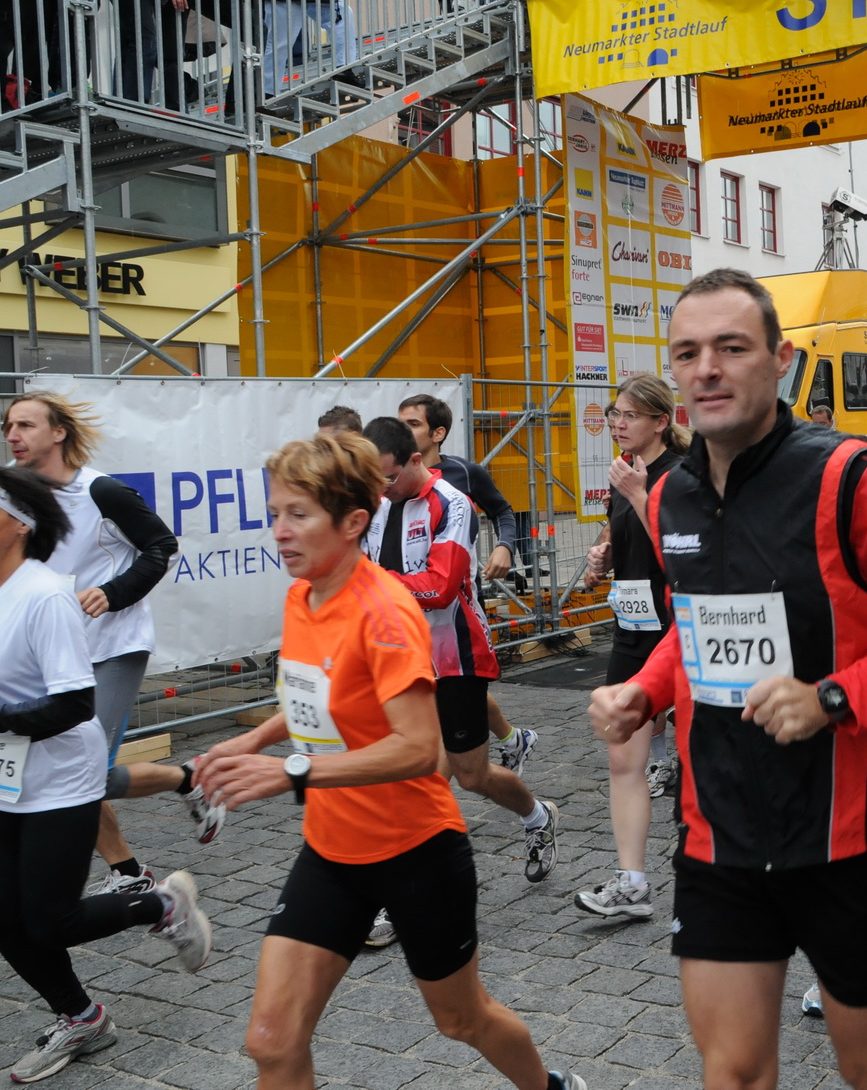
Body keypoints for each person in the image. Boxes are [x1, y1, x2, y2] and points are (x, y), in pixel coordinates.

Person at [586, 268, 867, 1090]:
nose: (707, 367)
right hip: (720, 826)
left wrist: (831, 698)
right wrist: (648, 689)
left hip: (849, 827)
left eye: (730, 348)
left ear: (779, 360)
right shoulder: (669, 496)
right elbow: (694, 624)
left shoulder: (853, 478)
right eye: (688, 352)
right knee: (732, 1072)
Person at [194, 436, 587, 1090]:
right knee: (270, 1040)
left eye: (298, 514)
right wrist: (252, 740)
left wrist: (293, 771)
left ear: (352, 523)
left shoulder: (383, 610)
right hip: (331, 851)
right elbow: (314, 696)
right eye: (274, 513)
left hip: (415, 854)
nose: (280, 531)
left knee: (462, 1019)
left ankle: (550, 1087)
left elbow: (418, 748)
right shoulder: (302, 595)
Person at [0, 467, 210, 1084]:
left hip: (61, 777)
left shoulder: (46, 595)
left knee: (50, 920)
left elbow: (72, 705)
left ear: (21, 525)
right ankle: (82, 1015)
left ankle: (160, 905)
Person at [2, 393, 217, 901]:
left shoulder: (100, 491)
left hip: (112, 647)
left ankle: (181, 789)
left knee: (81, 769)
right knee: (68, 767)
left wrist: (113, 592)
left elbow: (161, 546)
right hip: (51, 653)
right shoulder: (13, 496)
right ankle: (136, 858)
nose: (12, 434)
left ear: (58, 433)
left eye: (25, 425)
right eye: (8, 425)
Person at [575, 374, 687, 920]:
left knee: (702, 760)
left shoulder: (681, 475)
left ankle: (714, 882)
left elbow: (681, 555)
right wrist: (604, 555)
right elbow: (621, 536)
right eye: (614, 413)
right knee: (624, 757)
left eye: (628, 415)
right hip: (632, 628)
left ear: (660, 422)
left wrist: (639, 496)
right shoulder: (624, 472)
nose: (616, 423)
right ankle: (633, 881)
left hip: (679, 631)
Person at [395, 394, 533, 767]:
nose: (403, 431)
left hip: (456, 601)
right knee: (456, 688)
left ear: (438, 433)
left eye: (413, 424)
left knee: (457, 683)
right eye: (400, 422)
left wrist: (504, 546)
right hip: (410, 606)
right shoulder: (394, 480)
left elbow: (503, 509)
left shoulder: (465, 473)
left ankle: (434, 809)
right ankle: (512, 737)